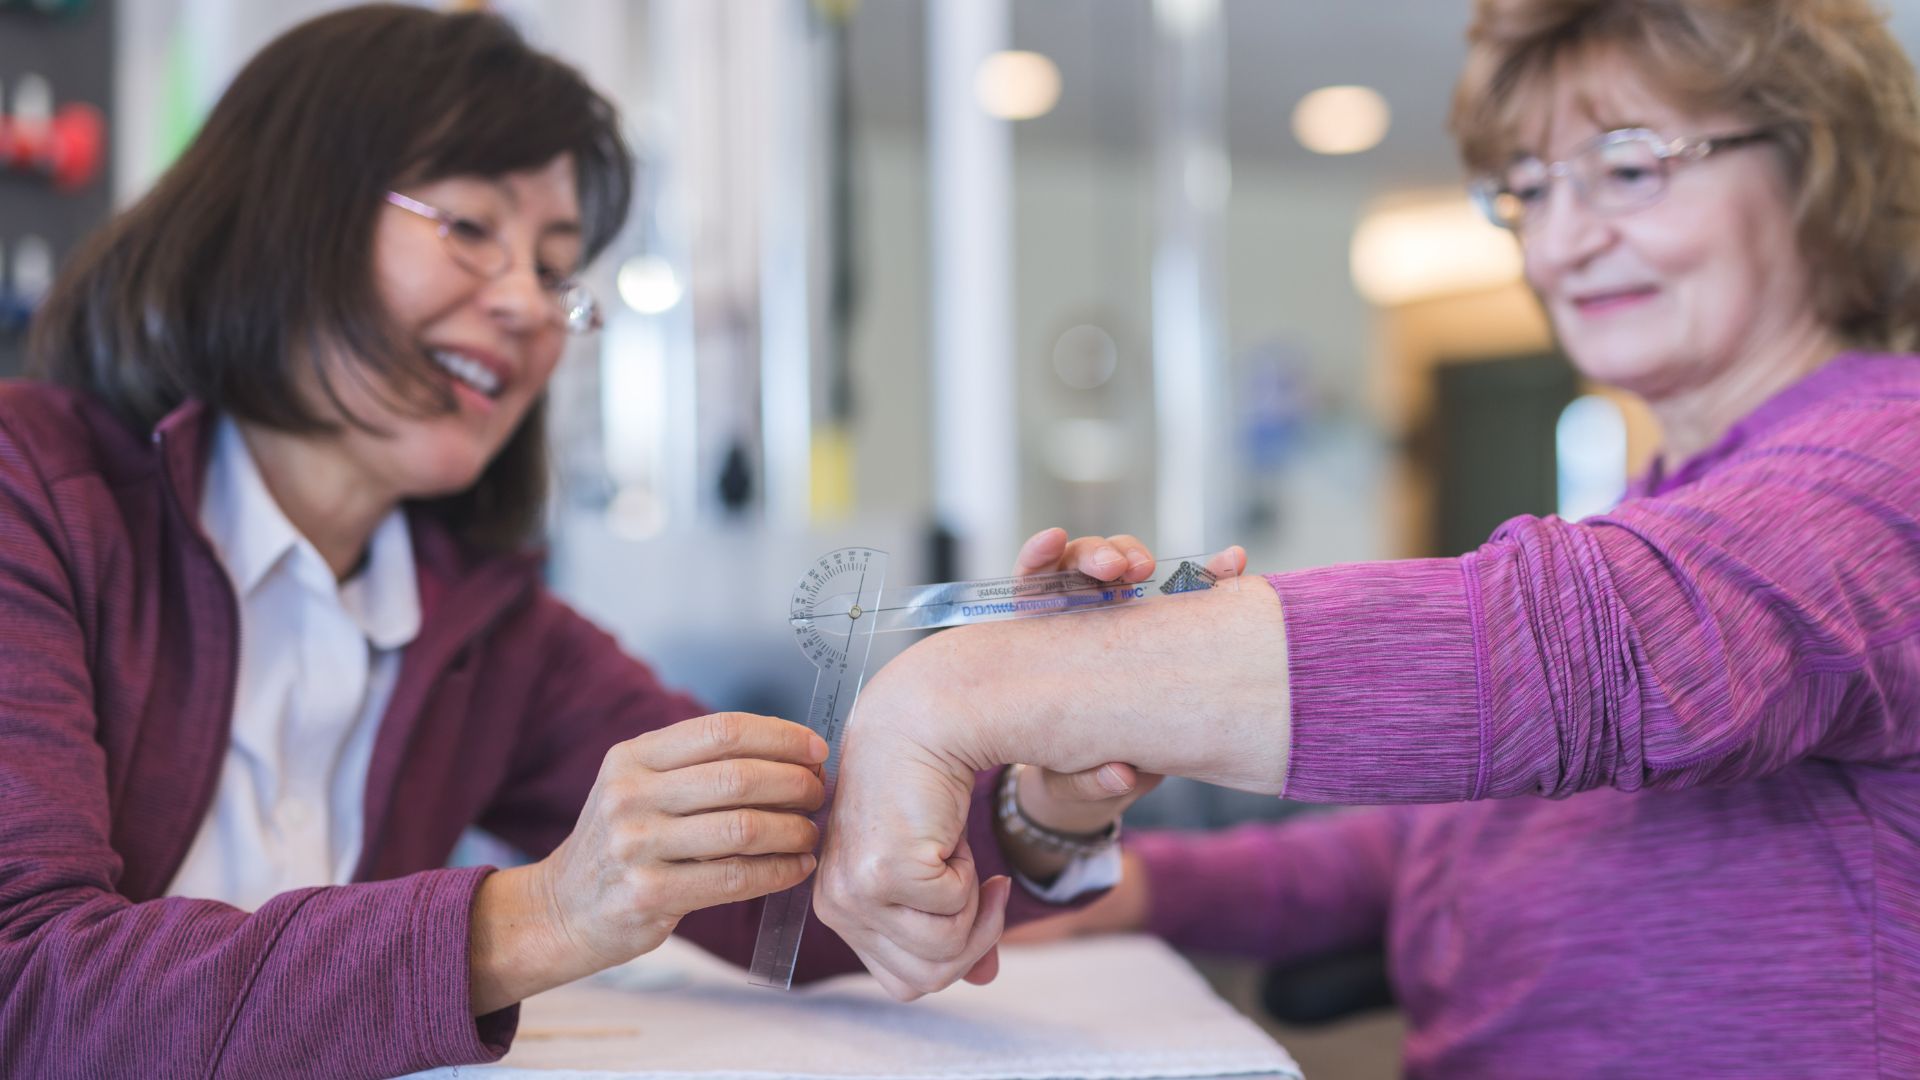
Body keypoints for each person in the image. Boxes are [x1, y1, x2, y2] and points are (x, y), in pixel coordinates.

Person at [0, 7, 1153, 1077]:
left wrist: (1044, 796)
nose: (525, 303)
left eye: (556, 269)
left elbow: (793, 900)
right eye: (468, 228)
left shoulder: (487, 628)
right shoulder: (32, 491)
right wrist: (544, 914)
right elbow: (31, 988)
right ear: (281, 208)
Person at [812, 0, 1920, 1074]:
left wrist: (968, 685)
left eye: (1629, 166)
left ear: (1819, 166)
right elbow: (1432, 849)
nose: (1567, 239)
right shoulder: (1666, 505)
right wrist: (1089, 863)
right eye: (1529, 189)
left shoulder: (1892, 454)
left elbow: (1597, 646)